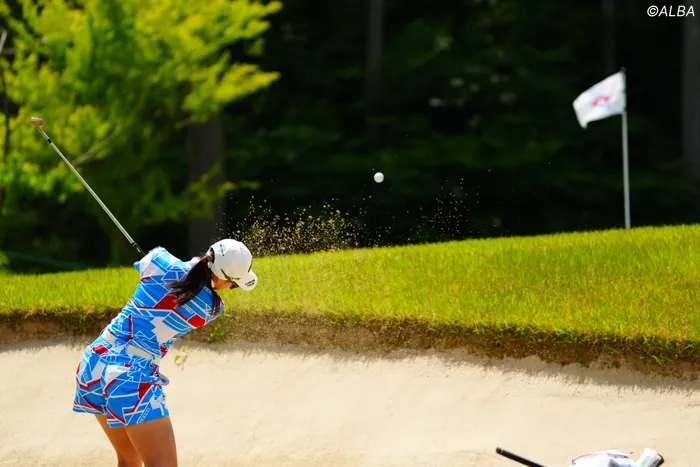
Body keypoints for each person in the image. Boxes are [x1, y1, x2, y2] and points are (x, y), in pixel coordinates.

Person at [72, 238, 258, 467]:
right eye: (234, 284)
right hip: (129, 376)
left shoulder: (158, 259)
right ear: (220, 278)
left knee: (129, 460)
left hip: (94, 362)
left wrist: (161, 266)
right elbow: (184, 286)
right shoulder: (211, 307)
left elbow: (153, 266)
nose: (232, 289)